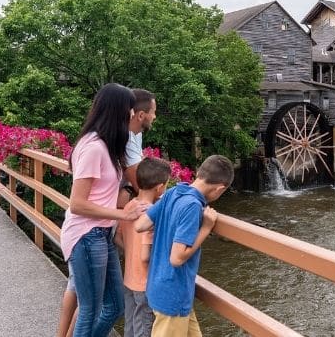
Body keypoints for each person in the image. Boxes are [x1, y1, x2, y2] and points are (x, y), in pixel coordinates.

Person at [57, 88, 157, 337]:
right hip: (86, 236)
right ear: (118, 111)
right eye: (130, 110)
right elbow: (77, 204)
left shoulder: (107, 145)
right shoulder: (93, 147)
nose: (133, 114)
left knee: (115, 306)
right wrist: (123, 214)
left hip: (101, 234)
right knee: (90, 310)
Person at [134, 155, 234, 337]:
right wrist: (205, 228)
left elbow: (140, 225)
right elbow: (176, 258)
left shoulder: (173, 192)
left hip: (159, 286)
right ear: (220, 189)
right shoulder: (192, 206)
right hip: (173, 295)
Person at [114, 157, 171, 337]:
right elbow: (146, 256)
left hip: (129, 277)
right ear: (160, 187)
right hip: (145, 282)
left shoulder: (129, 206)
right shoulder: (151, 214)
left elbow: (117, 237)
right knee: (144, 328)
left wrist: (131, 252)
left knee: (131, 323)